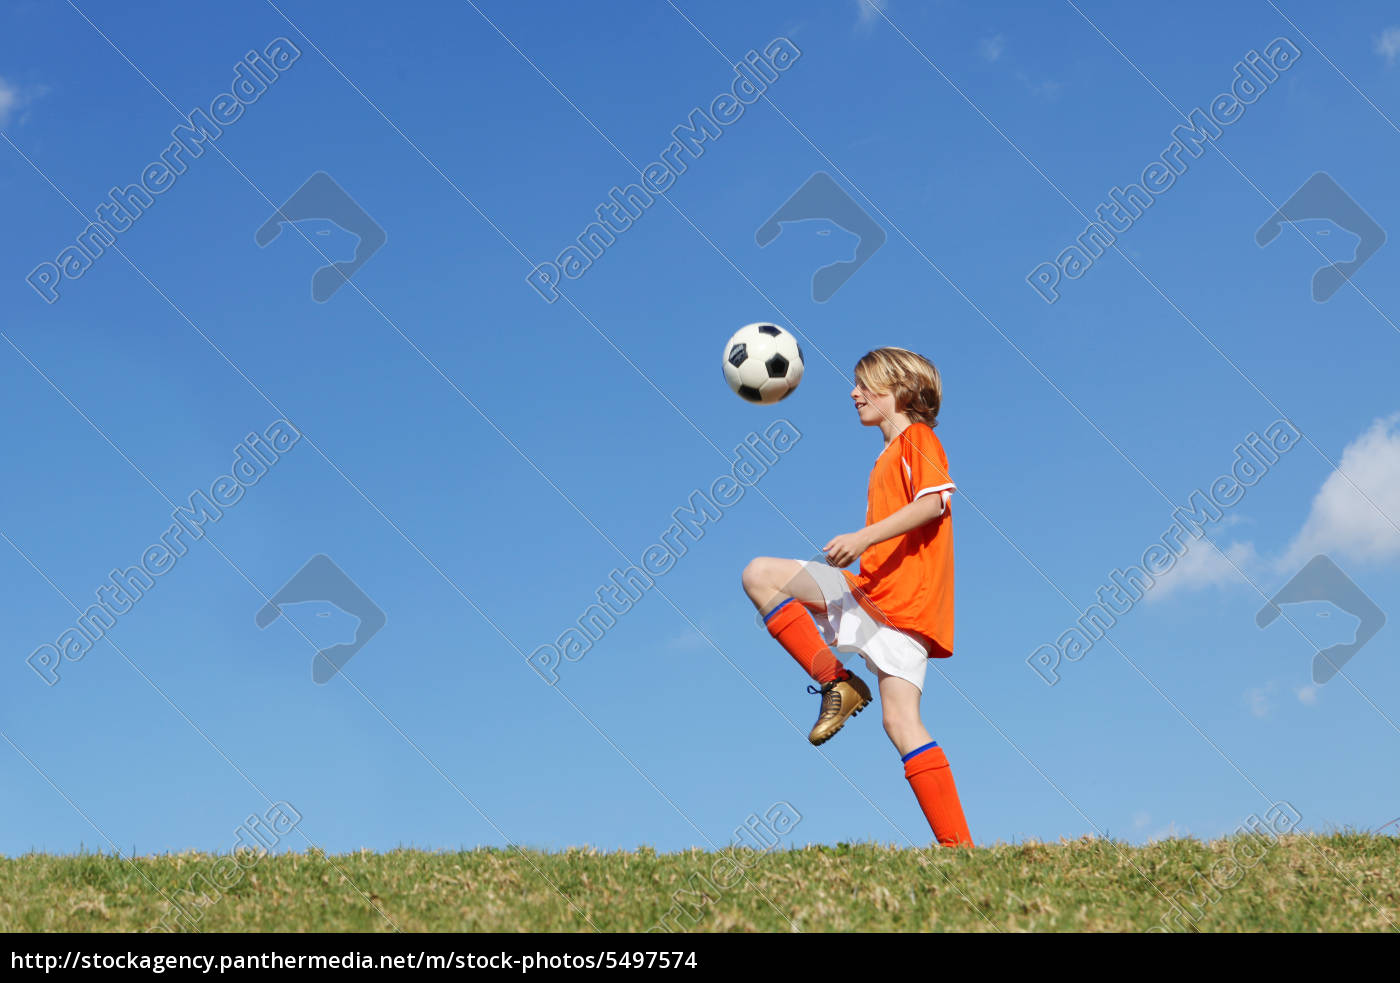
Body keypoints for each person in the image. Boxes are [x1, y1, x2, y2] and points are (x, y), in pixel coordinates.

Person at [740, 347, 973, 847]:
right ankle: (838, 684)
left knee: (902, 722)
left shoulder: (919, 438)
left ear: (903, 391)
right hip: (868, 593)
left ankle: (960, 850)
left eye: (866, 386)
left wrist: (864, 538)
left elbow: (934, 504)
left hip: (904, 604)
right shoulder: (887, 454)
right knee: (761, 574)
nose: (854, 393)